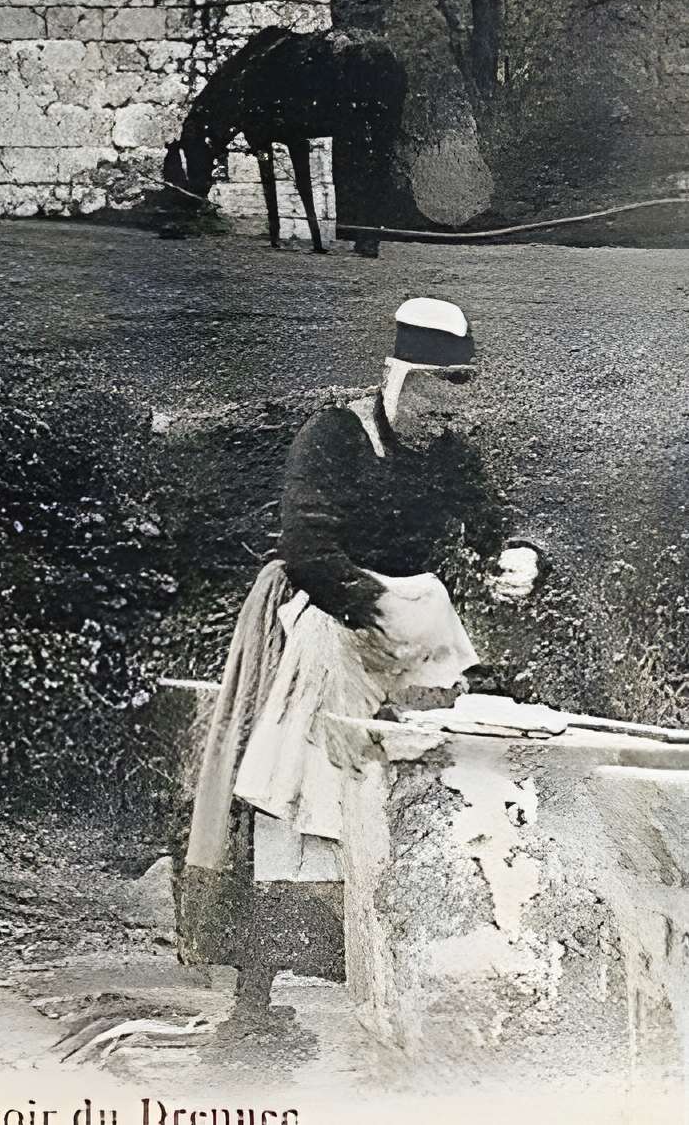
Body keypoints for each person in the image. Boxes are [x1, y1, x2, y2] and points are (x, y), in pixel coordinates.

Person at [181, 296, 531, 1045]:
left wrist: (516, 556)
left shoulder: (448, 450)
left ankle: (421, 979)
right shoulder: (335, 436)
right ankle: (255, 1001)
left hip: (416, 622)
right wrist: (369, 602)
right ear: (396, 382)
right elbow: (306, 541)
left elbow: (491, 516)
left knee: (439, 787)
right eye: (429, 408)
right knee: (308, 796)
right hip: (330, 617)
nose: (438, 426)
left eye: (451, 413)